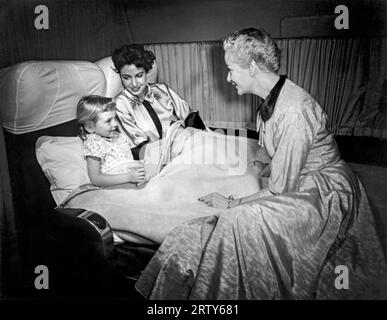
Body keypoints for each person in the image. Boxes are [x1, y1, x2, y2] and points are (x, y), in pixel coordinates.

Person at [135, 27, 387, 299]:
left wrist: (232, 203)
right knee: (198, 231)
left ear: (252, 67)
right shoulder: (271, 100)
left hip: (326, 192)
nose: (228, 77)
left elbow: (281, 189)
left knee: (237, 222)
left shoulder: (294, 110)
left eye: (230, 69)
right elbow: (271, 153)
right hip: (298, 179)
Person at [112, 44, 192, 159]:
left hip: (187, 145)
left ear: (146, 72)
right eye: (126, 78)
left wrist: (185, 136)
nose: (134, 84)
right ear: (120, 76)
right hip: (157, 160)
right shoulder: (120, 104)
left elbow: (190, 117)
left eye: (139, 75)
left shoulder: (163, 90)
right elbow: (138, 147)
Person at [76, 95, 145, 187]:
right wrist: (128, 177)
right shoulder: (94, 142)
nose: (115, 124)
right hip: (115, 187)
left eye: (115, 118)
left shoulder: (118, 137)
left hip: (132, 182)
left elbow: (127, 161)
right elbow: (95, 178)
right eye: (108, 121)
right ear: (90, 127)